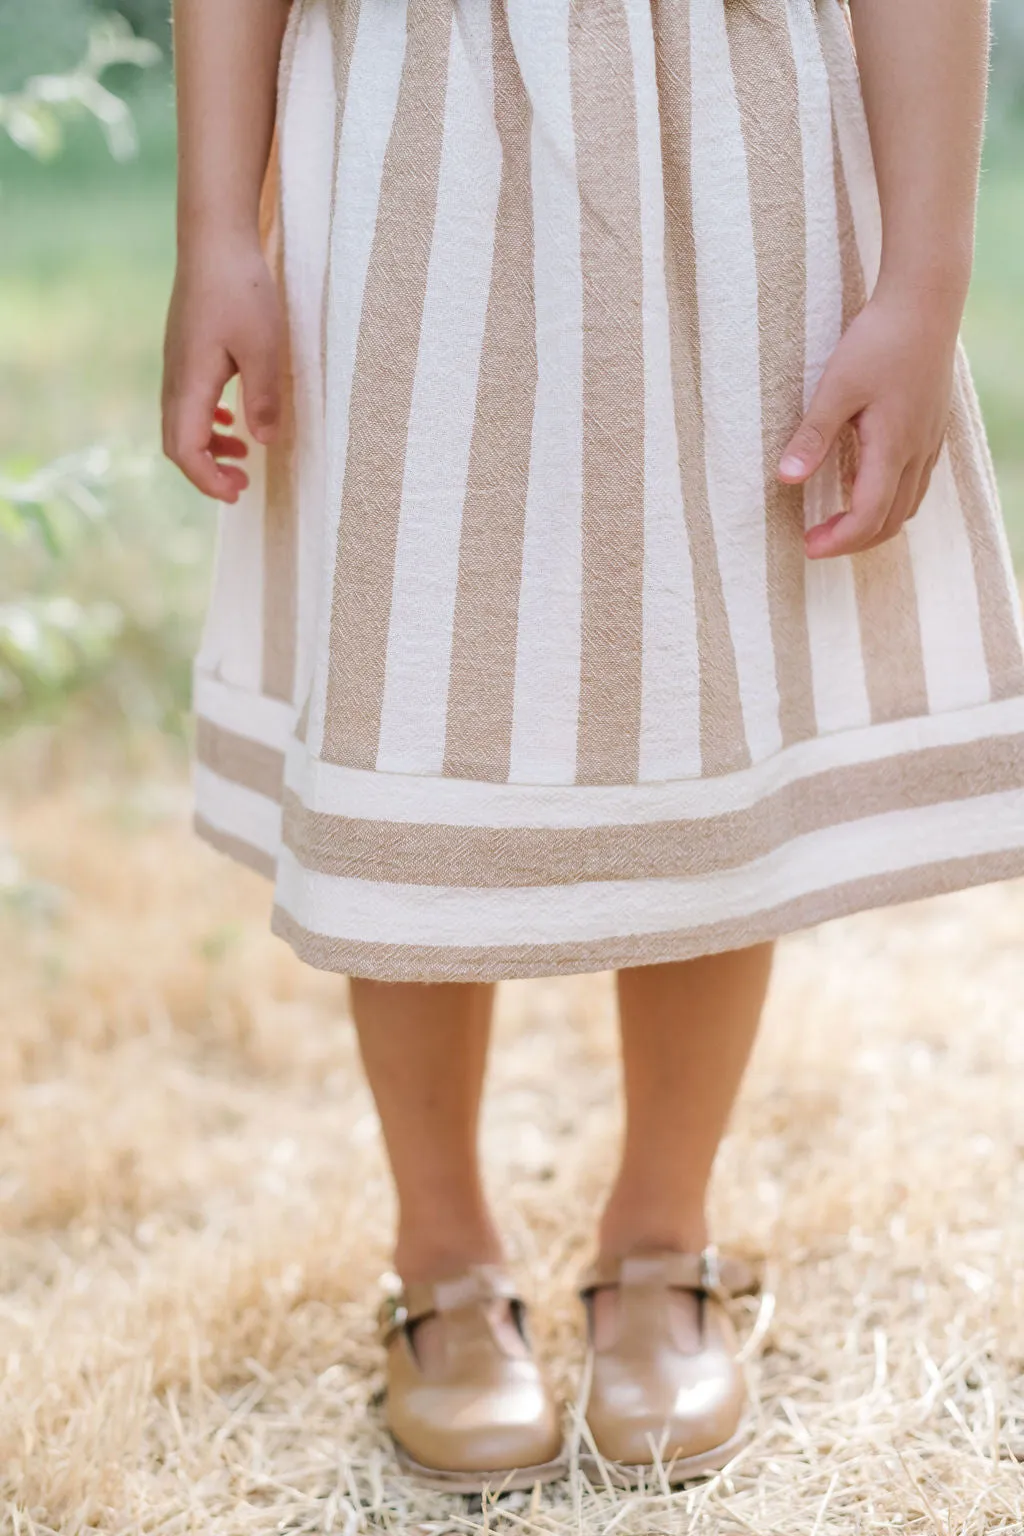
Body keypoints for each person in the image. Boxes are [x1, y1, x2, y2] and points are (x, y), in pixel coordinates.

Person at [163, 0, 1024, 1494]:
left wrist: (925, 272)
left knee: (696, 691)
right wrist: (219, 230)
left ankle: (659, 1243)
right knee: (410, 687)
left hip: (720, 137)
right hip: (407, 131)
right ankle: (441, 1257)